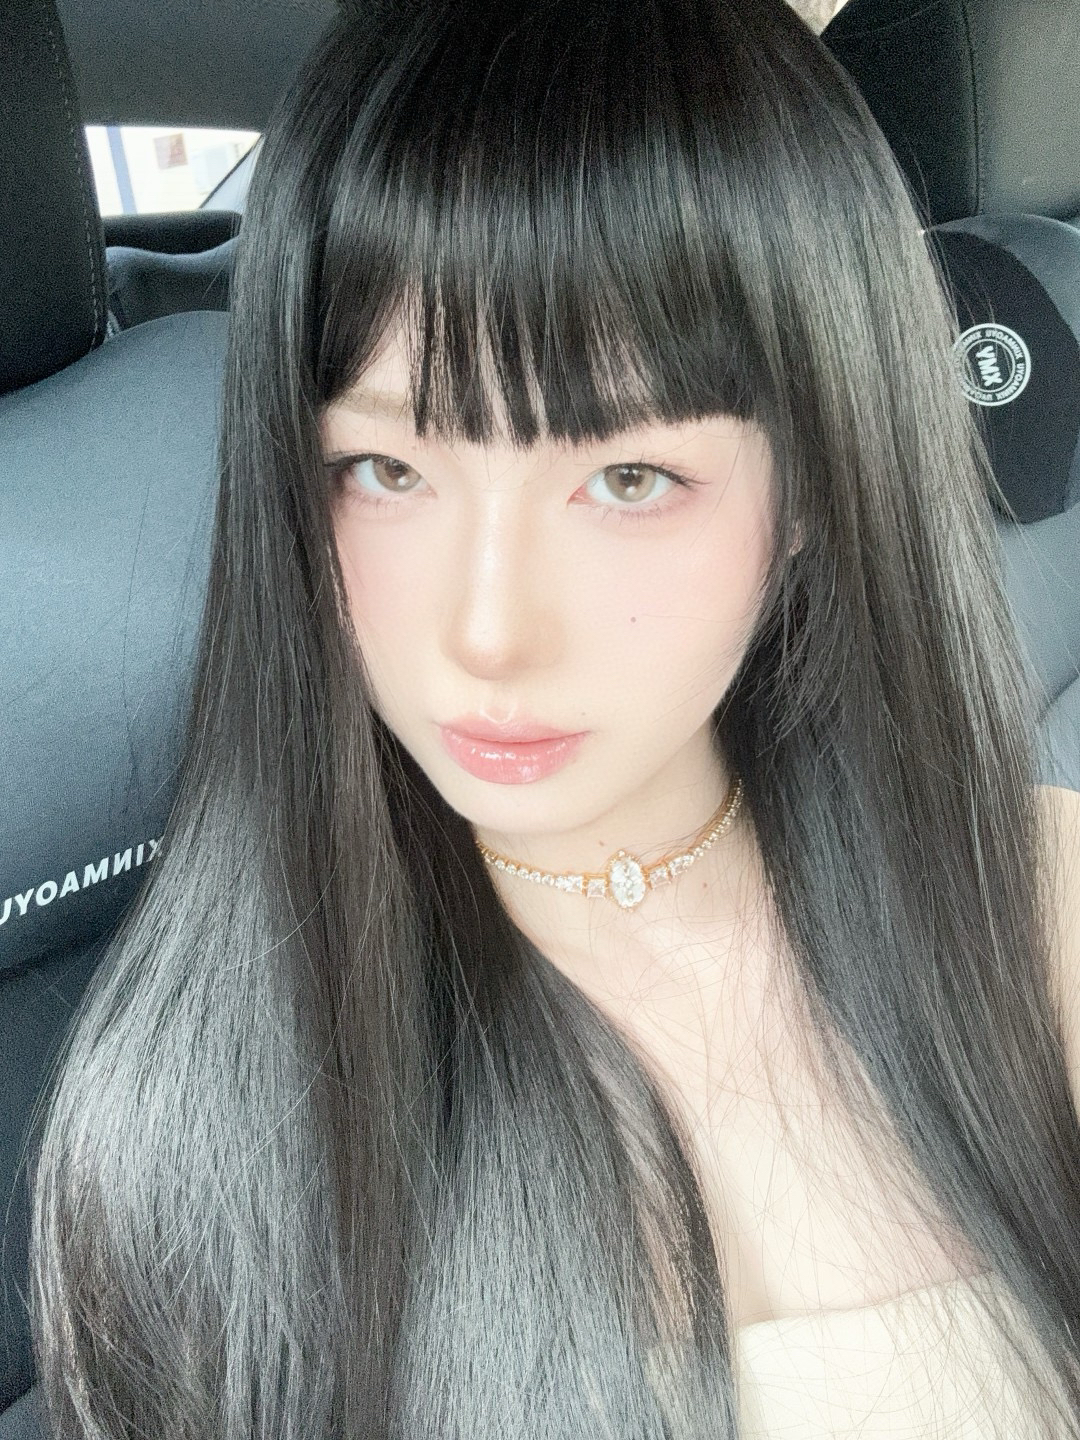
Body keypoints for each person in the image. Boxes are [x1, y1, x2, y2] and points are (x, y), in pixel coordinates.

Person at [26, 0, 1080, 1435]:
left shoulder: (1041, 916)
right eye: (386, 471)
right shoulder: (197, 1126)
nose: (488, 631)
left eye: (629, 479)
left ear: (815, 484)